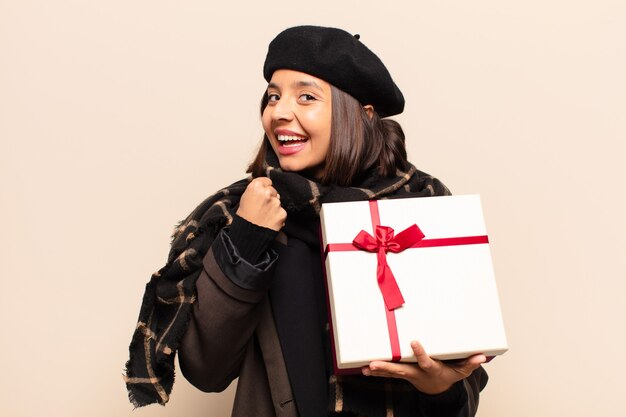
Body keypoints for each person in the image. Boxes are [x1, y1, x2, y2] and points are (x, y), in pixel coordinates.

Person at [124, 25, 489, 417]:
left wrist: (440, 388)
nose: (279, 112)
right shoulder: (240, 212)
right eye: (273, 97)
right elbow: (205, 371)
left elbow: (462, 378)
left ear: (362, 116)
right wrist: (246, 238)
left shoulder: (421, 205)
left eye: (307, 97)